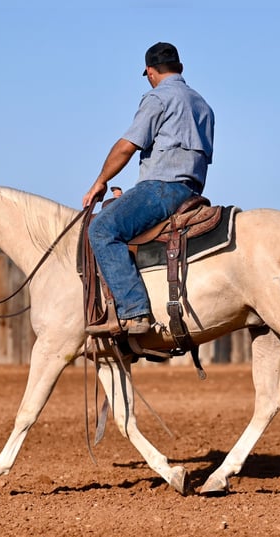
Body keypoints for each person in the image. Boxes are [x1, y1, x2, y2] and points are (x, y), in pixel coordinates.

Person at [82, 42, 215, 335]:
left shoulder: (157, 98)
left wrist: (100, 181)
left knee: (101, 229)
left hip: (162, 189)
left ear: (151, 72)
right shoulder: (203, 105)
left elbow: (127, 147)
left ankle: (134, 312)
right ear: (179, 68)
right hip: (192, 191)